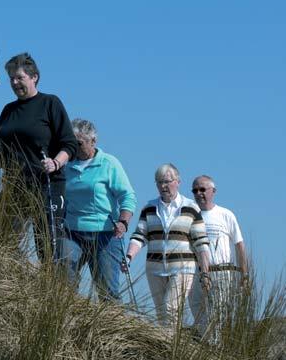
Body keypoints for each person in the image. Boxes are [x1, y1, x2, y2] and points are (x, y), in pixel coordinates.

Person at [0, 53, 77, 263]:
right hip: (15, 186)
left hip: (46, 185)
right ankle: (14, 285)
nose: (14, 83)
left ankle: (53, 291)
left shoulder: (50, 103)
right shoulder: (8, 110)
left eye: (19, 77)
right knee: (2, 240)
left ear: (34, 77)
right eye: (11, 78)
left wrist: (55, 162)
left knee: (47, 245)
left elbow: (69, 144)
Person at [123, 163, 211, 326]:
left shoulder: (190, 208)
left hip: (183, 268)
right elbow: (140, 236)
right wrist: (128, 257)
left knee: (170, 309)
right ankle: (168, 348)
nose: (163, 186)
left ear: (178, 182)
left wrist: (205, 272)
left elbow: (201, 242)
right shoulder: (149, 208)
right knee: (161, 312)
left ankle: (170, 347)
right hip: (155, 269)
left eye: (167, 181)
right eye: (159, 182)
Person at [62, 118, 136, 301]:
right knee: (63, 281)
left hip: (105, 235)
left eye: (79, 143)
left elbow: (127, 196)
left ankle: (110, 327)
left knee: (107, 292)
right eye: (72, 143)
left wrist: (124, 222)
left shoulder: (109, 163)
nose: (75, 148)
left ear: (93, 141)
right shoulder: (65, 164)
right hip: (72, 232)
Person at [188, 175, 249, 337]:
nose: (199, 193)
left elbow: (239, 245)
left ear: (213, 191)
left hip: (221, 272)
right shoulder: (189, 215)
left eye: (202, 189)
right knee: (198, 312)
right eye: (195, 190)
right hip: (196, 272)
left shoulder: (225, 214)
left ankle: (217, 348)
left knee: (218, 315)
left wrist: (244, 274)